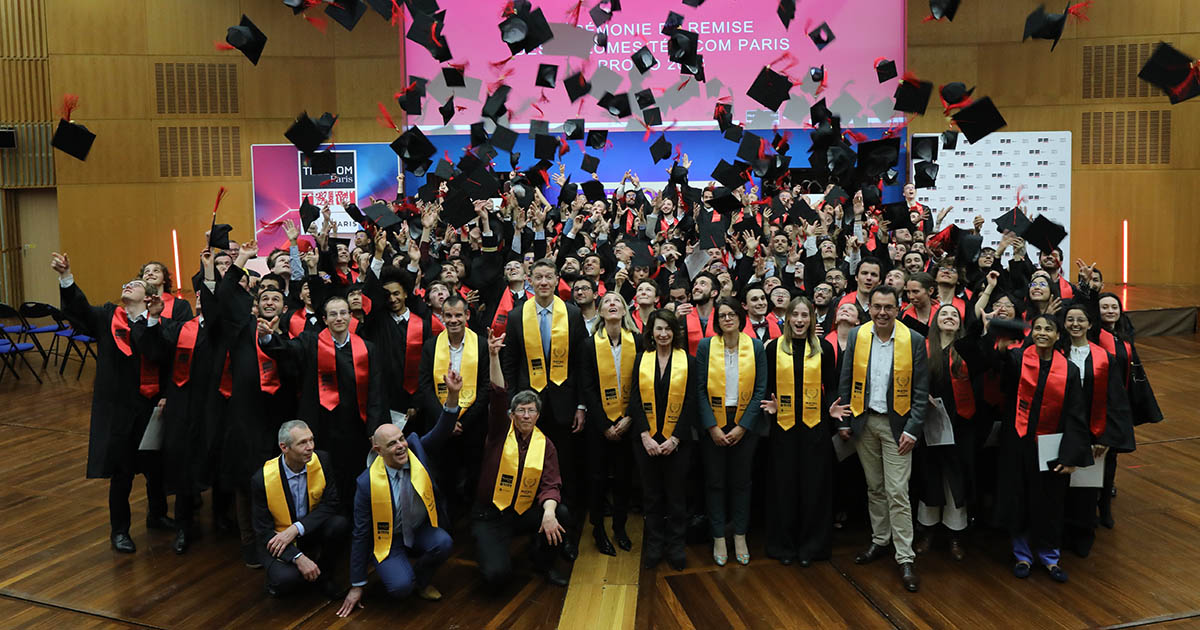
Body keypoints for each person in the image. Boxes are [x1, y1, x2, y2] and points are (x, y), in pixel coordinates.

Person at [52, 252, 172, 554]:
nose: (128, 285)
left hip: (150, 405)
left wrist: (154, 319)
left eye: (135, 284)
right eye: (127, 283)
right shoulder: (108, 316)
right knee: (122, 473)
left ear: (148, 297)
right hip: (117, 409)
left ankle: (157, 514)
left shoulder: (159, 323)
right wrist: (66, 277)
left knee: (155, 467)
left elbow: (159, 356)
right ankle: (119, 531)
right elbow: (78, 311)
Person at [964, 313, 1093, 583]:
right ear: (1031, 332)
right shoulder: (1017, 360)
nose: (1043, 332)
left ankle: (1050, 557)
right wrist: (997, 348)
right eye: (1038, 328)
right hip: (1017, 443)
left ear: (1059, 335)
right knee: (1018, 497)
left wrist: (1071, 455)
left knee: (1049, 501)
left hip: (1050, 446)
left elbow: (1076, 415)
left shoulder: (1069, 370)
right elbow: (993, 369)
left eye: (1049, 329)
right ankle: (1022, 554)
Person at [337, 372, 461, 616]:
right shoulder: (366, 484)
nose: (401, 446)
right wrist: (357, 584)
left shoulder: (416, 449)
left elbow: (442, 430)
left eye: (401, 439)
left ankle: (422, 581)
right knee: (401, 588)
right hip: (388, 539)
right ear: (378, 450)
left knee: (444, 542)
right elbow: (361, 533)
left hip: (419, 529)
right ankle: (400, 573)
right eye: (392, 443)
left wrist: (453, 394)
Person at [832, 285, 928, 593]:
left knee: (897, 491)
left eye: (888, 307)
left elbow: (921, 392)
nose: (882, 312)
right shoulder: (860, 336)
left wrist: (913, 429)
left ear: (898, 308)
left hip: (897, 427)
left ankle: (905, 556)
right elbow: (846, 379)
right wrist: (845, 419)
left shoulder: (913, 340)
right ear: (868, 308)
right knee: (874, 488)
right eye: (877, 307)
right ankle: (880, 541)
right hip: (864, 423)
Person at [258, 295, 387, 508]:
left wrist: (373, 428)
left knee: (353, 477)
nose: (339, 318)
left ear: (350, 316)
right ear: (325, 319)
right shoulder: (311, 342)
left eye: (343, 313)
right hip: (320, 424)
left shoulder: (366, 348)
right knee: (322, 477)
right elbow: (285, 350)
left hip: (355, 425)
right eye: (333, 314)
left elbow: (376, 391)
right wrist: (268, 338)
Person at [475, 329, 572, 587]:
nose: (526, 416)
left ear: (538, 416)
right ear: (512, 415)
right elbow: (497, 395)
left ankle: (543, 562)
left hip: (522, 511)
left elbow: (551, 484)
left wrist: (549, 512)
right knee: (495, 578)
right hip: (492, 514)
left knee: (560, 512)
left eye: (532, 411)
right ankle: (486, 548)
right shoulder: (499, 432)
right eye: (521, 411)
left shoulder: (545, 445)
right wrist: (494, 356)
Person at [500, 258, 588, 517]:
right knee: (529, 460)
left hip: (564, 402)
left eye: (549, 277)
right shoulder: (518, 315)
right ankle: (532, 513)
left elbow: (581, 363)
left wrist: (581, 404)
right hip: (528, 403)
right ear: (530, 280)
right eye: (538, 277)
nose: (543, 282)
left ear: (557, 279)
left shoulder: (572, 313)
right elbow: (510, 362)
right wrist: (512, 404)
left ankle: (565, 517)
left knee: (565, 461)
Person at [760, 297, 838, 566]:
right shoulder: (773, 349)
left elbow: (832, 386)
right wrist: (768, 404)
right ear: (788, 318)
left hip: (815, 428)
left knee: (814, 487)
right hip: (782, 427)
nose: (800, 320)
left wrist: (832, 409)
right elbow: (767, 383)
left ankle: (811, 547)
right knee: (784, 487)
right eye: (796, 315)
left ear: (812, 318)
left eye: (805, 315)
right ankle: (784, 546)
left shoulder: (824, 349)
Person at [627, 308, 700, 571]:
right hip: (646, 441)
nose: (663, 333)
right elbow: (633, 399)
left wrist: (676, 439)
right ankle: (655, 544)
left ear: (675, 332)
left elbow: (691, 402)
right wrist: (645, 436)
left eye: (668, 328)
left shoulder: (689, 362)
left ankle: (675, 545)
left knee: (677, 495)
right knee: (652, 495)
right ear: (651, 332)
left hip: (677, 442)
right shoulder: (640, 359)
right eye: (658, 328)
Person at [696, 297, 766, 566]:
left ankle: (739, 535)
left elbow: (761, 388)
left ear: (740, 317)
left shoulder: (756, 347)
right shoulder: (706, 346)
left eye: (732, 314)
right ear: (717, 320)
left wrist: (743, 426)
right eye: (722, 315)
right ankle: (718, 537)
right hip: (713, 420)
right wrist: (712, 426)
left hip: (745, 422)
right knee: (715, 482)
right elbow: (699, 387)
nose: (727, 319)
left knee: (741, 482)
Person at [1060, 304, 1135, 558]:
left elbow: (1115, 400)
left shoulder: (1105, 358)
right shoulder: (1057, 352)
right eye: (1070, 319)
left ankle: (1083, 534)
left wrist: (1106, 436)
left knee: (1086, 487)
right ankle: (1061, 533)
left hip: (1094, 429)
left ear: (1090, 325)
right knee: (1059, 486)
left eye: (1081, 320)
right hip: (1060, 428)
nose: (1075, 324)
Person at [250, 420, 349, 598]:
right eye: (302, 443)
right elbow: (263, 531)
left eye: (311, 440)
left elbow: (332, 503)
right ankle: (287, 572)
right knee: (285, 581)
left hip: (307, 529)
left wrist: (297, 528)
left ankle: (324, 576)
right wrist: (298, 557)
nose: (310, 447)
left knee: (339, 524)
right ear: (284, 447)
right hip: (277, 539)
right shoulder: (261, 480)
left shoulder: (322, 460)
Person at [913, 304, 979, 561]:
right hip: (929, 422)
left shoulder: (967, 349)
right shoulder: (923, 348)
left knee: (955, 479)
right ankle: (927, 530)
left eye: (954, 315)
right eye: (944, 314)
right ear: (935, 321)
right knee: (930, 476)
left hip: (961, 423)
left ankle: (955, 534)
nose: (950, 317)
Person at [579, 292, 640, 556]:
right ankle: (598, 529)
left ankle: (620, 526)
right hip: (599, 424)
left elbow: (641, 385)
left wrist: (628, 418)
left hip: (629, 422)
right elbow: (587, 386)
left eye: (618, 301)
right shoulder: (589, 344)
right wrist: (605, 424)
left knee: (624, 479)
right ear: (600, 312)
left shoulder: (638, 341)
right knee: (597, 478)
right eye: (607, 303)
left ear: (625, 311)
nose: (613, 304)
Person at [1095, 292, 1162, 527]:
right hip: (1096, 404)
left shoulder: (1123, 336)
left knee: (1111, 456)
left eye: (1114, 306)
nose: (1110, 310)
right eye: (1104, 307)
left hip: (1118, 405)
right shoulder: (1094, 335)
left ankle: (1104, 505)